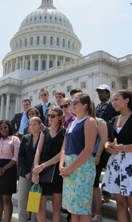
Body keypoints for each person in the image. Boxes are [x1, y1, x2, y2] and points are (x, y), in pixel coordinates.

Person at [59, 93, 98, 222]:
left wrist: (69, 168)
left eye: (75, 102)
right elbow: (64, 148)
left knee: (83, 210)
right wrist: (62, 166)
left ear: (85, 105)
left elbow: (88, 150)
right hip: (69, 169)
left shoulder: (89, 121)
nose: (72, 105)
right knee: (73, 209)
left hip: (82, 169)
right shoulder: (72, 124)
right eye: (72, 103)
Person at [101, 89, 132, 222]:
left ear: (127, 100)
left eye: (116, 99)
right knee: (120, 204)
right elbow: (108, 140)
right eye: (112, 100)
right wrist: (107, 147)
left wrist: (122, 148)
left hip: (130, 164)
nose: (113, 102)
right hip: (115, 164)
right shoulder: (114, 119)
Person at [32, 106, 65, 222]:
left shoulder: (65, 132)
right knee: (40, 206)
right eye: (48, 115)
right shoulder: (44, 131)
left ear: (60, 117)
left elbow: (62, 153)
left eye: (53, 116)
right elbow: (38, 151)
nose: (50, 118)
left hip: (56, 170)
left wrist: (43, 165)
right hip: (42, 171)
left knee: (56, 206)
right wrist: (36, 168)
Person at [0, 120, 20, 222]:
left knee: (7, 199)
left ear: (9, 127)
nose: (3, 130)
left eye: (5, 127)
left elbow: (16, 157)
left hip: (9, 170)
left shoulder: (15, 139)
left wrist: (3, 169)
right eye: (1, 128)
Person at [95, 84, 119, 203]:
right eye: (99, 92)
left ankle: (107, 194)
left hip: (109, 141)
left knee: (108, 168)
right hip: (97, 142)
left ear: (108, 93)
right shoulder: (97, 107)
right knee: (99, 169)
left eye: (103, 92)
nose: (100, 94)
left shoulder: (112, 107)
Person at [18, 117, 43, 222]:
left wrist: (35, 173)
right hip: (25, 174)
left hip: (38, 174)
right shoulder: (25, 138)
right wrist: (27, 173)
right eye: (30, 124)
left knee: (34, 202)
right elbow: (20, 156)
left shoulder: (44, 138)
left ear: (40, 125)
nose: (32, 127)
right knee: (22, 201)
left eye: (34, 124)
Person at [90, 102, 108, 222]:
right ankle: (90, 210)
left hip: (96, 155)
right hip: (85, 156)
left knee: (95, 185)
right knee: (89, 185)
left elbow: (103, 139)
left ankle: (98, 212)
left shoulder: (100, 121)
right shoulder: (84, 121)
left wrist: (98, 155)